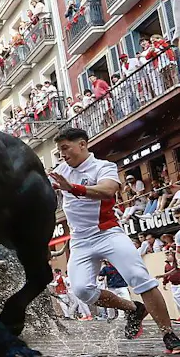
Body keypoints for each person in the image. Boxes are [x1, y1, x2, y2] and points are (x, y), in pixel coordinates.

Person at [49, 128, 180, 352]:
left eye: (65, 148)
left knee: (139, 277)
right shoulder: (60, 170)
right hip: (79, 240)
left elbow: (107, 191)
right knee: (82, 291)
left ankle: (168, 334)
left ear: (82, 144)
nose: (62, 155)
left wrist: (72, 188)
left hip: (107, 233)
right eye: (59, 150)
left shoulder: (104, 167)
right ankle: (133, 308)